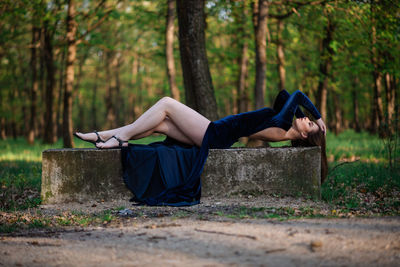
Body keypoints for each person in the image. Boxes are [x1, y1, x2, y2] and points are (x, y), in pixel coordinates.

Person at [74, 89, 327, 206]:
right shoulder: (285, 120)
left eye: (310, 123)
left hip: (214, 134)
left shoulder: (284, 126)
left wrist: (319, 117)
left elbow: (296, 94)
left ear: (305, 135)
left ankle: (120, 138)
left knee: (166, 103)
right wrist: (314, 119)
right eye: (308, 117)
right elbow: (286, 95)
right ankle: (104, 135)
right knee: (159, 125)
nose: (306, 117)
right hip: (217, 132)